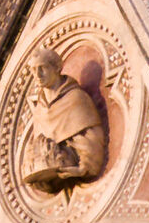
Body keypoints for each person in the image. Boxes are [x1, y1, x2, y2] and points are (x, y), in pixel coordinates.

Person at [19, 47, 108, 192]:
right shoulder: (39, 111)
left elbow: (92, 138)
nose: (38, 75)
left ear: (57, 68)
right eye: (33, 70)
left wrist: (83, 168)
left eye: (42, 68)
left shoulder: (76, 99)